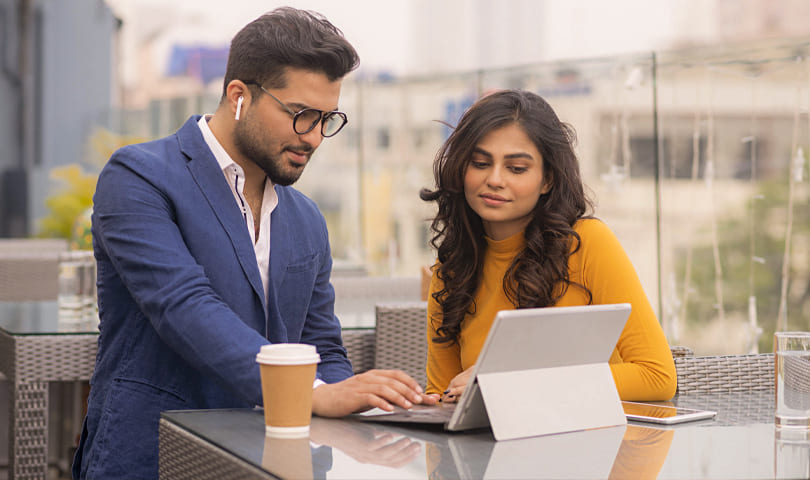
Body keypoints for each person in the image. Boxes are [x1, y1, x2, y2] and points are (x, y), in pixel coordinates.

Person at [73, 8, 435, 480]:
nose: (314, 138)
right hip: (153, 454)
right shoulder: (139, 176)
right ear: (239, 95)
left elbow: (320, 345)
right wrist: (311, 395)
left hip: (272, 462)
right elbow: (184, 306)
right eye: (300, 115)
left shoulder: (305, 218)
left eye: (327, 119)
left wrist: (365, 409)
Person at [419, 89, 677, 403]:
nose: (495, 179)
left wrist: (508, 382)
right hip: (486, 447)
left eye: (516, 168)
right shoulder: (450, 271)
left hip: (592, 444)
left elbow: (656, 376)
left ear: (547, 179)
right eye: (480, 163)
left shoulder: (586, 243)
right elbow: (442, 396)